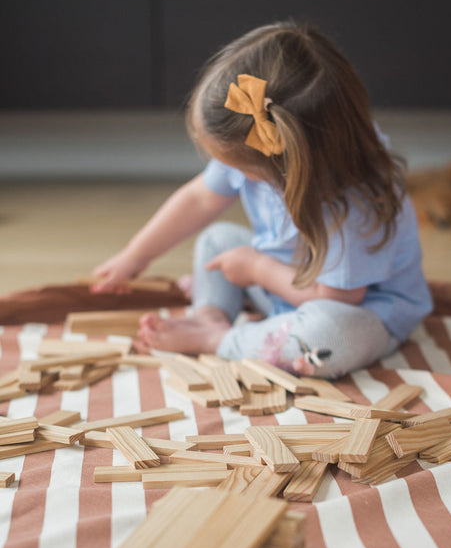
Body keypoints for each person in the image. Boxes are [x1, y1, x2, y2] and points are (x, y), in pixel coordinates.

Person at [92, 21, 432, 378]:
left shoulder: (352, 203)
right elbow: (198, 199)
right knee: (216, 240)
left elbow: (336, 300)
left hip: (359, 312)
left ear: (288, 164)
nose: (227, 171)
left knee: (324, 338)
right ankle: (210, 314)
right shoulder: (260, 145)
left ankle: (220, 340)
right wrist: (135, 255)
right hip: (287, 284)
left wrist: (258, 270)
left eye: (237, 167)